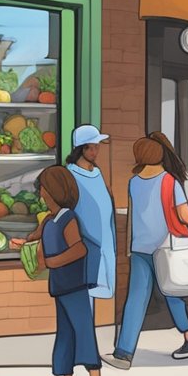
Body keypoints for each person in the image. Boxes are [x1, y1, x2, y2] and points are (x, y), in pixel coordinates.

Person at [104, 133, 188, 369]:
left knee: (136, 300)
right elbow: (185, 215)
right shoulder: (170, 181)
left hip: (140, 248)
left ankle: (124, 354)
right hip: (166, 246)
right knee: (172, 292)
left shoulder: (134, 181)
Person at [35, 165, 102, 376]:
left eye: (43, 188)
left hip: (74, 285)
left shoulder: (68, 219)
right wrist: (21, 243)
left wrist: (52, 261)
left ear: (53, 191)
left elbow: (79, 249)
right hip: (60, 286)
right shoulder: (49, 220)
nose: (41, 193)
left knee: (82, 329)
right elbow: (35, 237)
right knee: (65, 335)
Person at [66, 125, 117, 302]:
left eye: (97, 146)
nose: (95, 151)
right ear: (81, 148)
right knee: (86, 287)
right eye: (91, 147)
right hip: (85, 239)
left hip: (106, 238)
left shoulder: (97, 172)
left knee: (99, 284)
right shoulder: (71, 174)